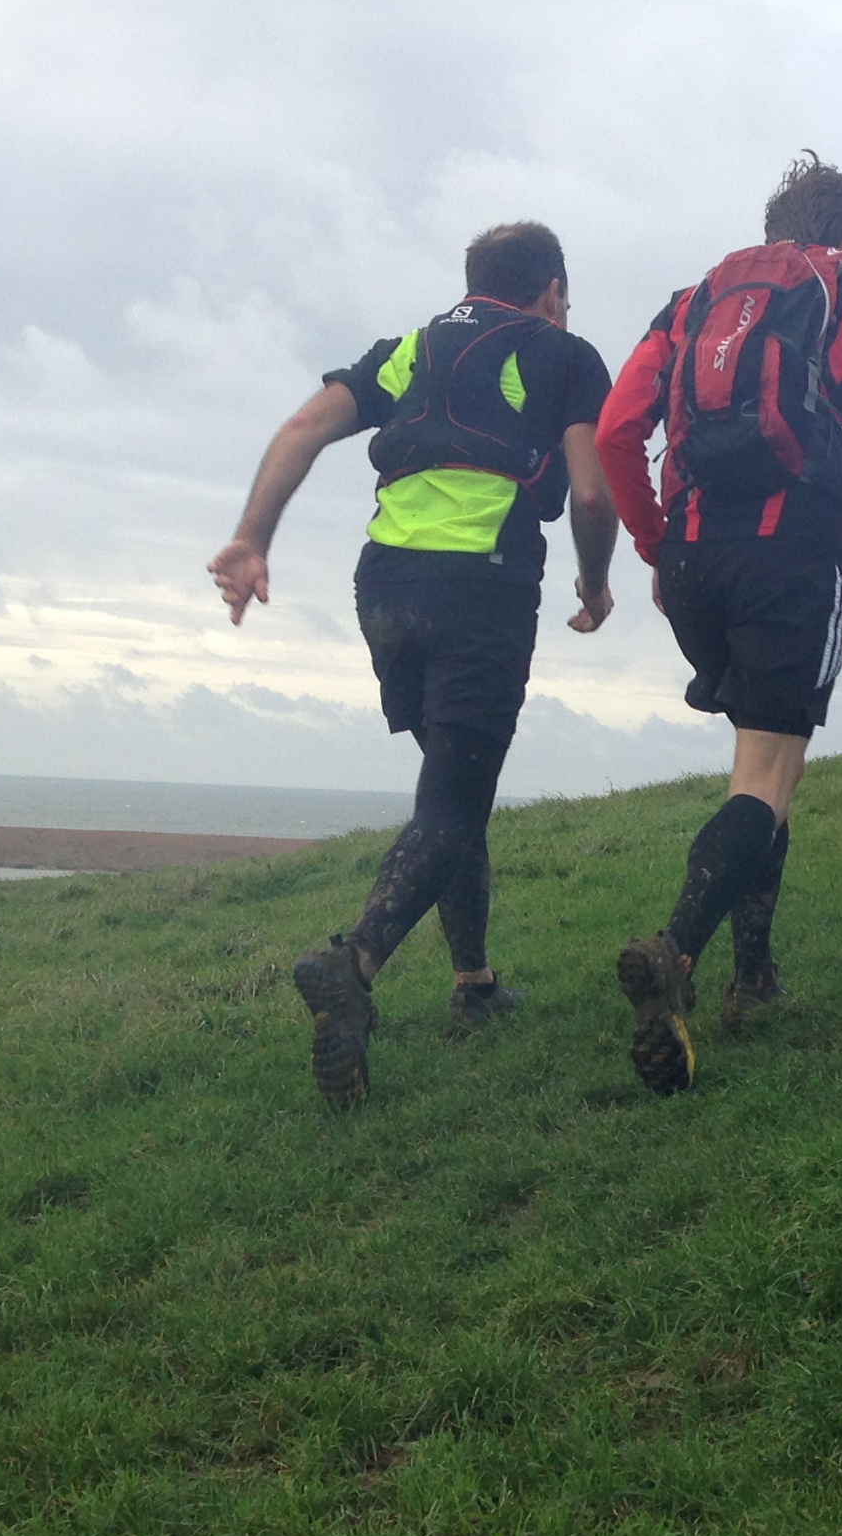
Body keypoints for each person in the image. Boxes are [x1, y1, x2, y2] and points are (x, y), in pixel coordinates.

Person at [207, 220, 618, 1110]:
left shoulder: (406, 352)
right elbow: (590, 489)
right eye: (567, 293)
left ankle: (473, 983)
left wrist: (249, 540)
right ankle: (351, 963)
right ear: (549, 288)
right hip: (483, 588)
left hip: (385, 587)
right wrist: (595, 579)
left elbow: (303, 426)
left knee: (450, 784)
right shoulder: (566, 354)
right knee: (453, 801)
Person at [593, 155, 842, 1095]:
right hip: (789, 551)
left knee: (759, 767)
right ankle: (676, 951)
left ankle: (753, 977)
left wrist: (651, 542)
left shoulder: (693, 299)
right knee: (768, 773)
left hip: (692, 559)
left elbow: (613, 431)